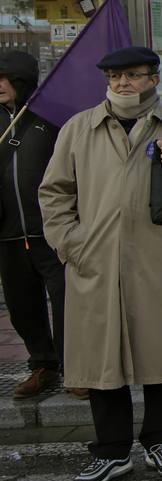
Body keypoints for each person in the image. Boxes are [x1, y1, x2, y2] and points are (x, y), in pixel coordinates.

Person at [39, 46, 162, 481]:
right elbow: (55, 192)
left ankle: (159, 439)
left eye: (133, 76)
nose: (122, 84)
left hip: (156, 262)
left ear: (153, 78)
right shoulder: (80, 128)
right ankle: (112, 450)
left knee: (158, 353)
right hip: (94, 261)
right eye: (116, 76)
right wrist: (70, 244)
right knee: (102, 356)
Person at [0, 51, 71, 399]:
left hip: (51, 230)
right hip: (8, 232)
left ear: (22, 80)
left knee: (65, 299)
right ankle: (42, 365)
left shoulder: (51, 117)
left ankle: (75, 366)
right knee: (21, 304)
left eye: (4, 78)